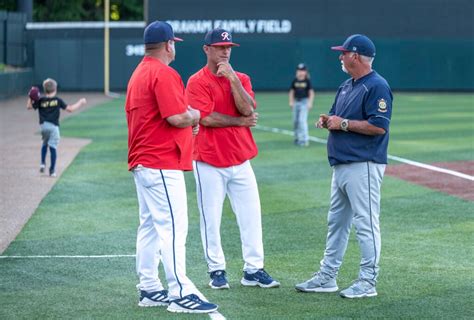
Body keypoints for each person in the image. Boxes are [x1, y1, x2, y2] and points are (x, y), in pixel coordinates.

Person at [125, 20, 218, 314]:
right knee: (173, 227)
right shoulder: (162, 73)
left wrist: (186, 118)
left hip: (144, 160)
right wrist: (195, 115)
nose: (174, 46)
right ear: (168, 45)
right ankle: (179, 292)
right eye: (173, 42)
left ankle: (150, 288)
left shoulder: (139, 72)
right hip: (160, 161)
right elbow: (177, 117)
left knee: (151, 227)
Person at [295, 34, 393, 298]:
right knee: (336, 223)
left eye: (344, 52)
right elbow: (337, 117)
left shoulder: (377, 86)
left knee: (366, 223)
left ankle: (368, 281)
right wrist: (328, 120)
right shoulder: (347, 85)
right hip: (341, 165)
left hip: (364, 164)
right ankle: (328, 276)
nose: (340, 56)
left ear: (356, 56)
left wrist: (343, 124)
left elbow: (379, 126)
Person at [186, 28, 280, 290]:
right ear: (207, 49)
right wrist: (240, 122)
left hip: (240, 159)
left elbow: (248, 108)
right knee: (210, 218)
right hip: (208, 160)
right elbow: (205, 117)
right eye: (219, 47)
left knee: (251, 216)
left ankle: (253, 269)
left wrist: (233, 81)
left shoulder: (241, 77)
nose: (225, 51)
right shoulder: (196, 81)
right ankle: (216, 269)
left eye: (228, 47)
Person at [27, 78, 87, 177]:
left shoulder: (41, 100)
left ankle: (42, 163)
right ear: (55, 89)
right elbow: (70, 109)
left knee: (45, 144)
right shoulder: (57, 100)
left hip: (44, 127)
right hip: (54, 127)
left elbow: (29, 107)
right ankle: (52, 171)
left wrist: (30, 96)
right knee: (53, 148)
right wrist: (80, 102)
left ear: (45, 89)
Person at [289, 63, 314, 147]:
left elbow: (311, 93)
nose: (301, 72)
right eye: (299, 70)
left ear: (305, 72)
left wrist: (310, 103)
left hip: (304, 102)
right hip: (296, 102)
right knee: (295, 121)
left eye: (302, 70)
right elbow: (292, 92)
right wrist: (291, 101)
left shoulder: (307, 81)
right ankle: (297, 138)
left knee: (302, 121)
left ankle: (304, 140)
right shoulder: (295, 80)